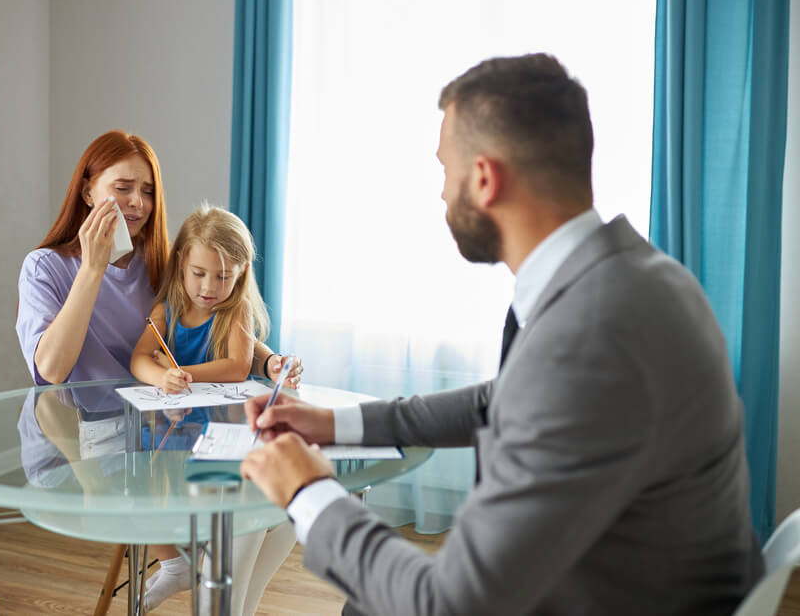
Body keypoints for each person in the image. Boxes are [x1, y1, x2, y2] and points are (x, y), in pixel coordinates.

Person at [240, 53, 764, 615]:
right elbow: (506, 397)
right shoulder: (631, 278)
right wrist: (336, 423)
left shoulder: (591, 336)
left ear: (485, 179)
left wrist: (307, 491)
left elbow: (451, 605)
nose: (441, 193)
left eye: (445, 169)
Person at [15, 130, 299, 613]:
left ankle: (225, 599)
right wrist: (93, 268)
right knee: (250, 505)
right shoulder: (45, 268)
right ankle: (207, 585)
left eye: (147, 191)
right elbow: (52, 370)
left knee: (281, 494)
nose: (138, 203)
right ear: (88, 191)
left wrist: (267, 358)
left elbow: (222, 316)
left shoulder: (163, 264)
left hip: (165, 429)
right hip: (84, 445)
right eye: (123, 188)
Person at [130, 203, 297, 614]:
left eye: (223, 277)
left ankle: (208, 561)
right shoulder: (165, 309)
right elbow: (139, 360)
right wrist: (160, 378)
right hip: (169, 429)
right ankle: (175, 564)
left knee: (218, 505)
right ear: (182, 263)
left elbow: (237, 366)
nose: (209, 287)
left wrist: (182, 370)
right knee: (142, 495)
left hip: (220, 435)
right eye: (200, 274)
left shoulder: (233, 311)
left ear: (240, 273)